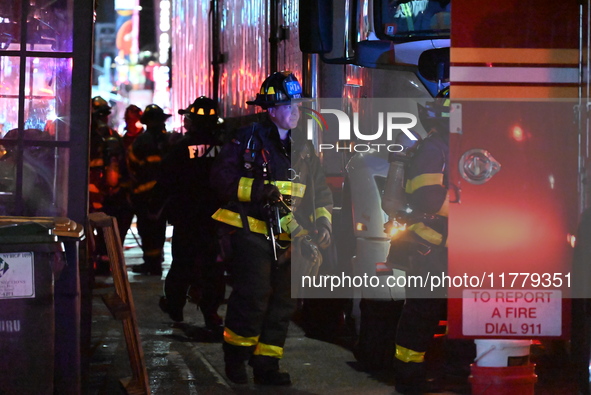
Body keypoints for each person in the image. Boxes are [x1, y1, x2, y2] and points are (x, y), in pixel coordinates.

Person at [210, 71, 333, 386]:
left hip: (290, 236)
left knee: (283, 302)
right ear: (272, 109)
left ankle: (267, 364)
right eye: (289, 106)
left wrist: (323, 223)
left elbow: (320, 192)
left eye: (298, 105)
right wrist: (258, 190)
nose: (296, 111)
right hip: (251, 231)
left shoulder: (302, 146)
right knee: (253, 296)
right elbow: (221, 179)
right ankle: (236, 359)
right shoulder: (247, 139)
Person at [391, 88, 451, 394]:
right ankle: (408, 375)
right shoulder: (434, 149)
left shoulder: (450, 147)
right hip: (428, 248)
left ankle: (439, 373)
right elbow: (429, 198)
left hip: (445, 247)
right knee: (422, 312)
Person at [156, 96, 225, 329]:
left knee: (181, 263)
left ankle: (175, 306)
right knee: (213, 267)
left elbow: (165, 180)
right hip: (218, 219)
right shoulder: (226, 147)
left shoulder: (180, 148)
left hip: (187, 218)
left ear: (192, 121)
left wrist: (158, 207)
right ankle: (211, 313)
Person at [127, 104, 172, 276]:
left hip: (144, 195)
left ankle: (151, 264)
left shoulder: (142, 141)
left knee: (147, 229)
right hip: (164, 194)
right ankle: (154, 261)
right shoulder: (169, 141)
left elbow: (133, 167)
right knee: (158, 229)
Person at [89, 96, 129, 274]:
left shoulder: (84, 135)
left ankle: (98, 263)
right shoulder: (112, 136)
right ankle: (104, 263)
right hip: (106, 192)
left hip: (93, 192)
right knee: (107, 231)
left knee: (93, 230)